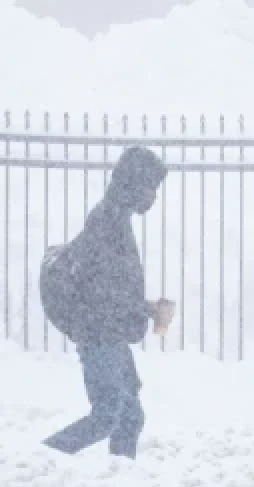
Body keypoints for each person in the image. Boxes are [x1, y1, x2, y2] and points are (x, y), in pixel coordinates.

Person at [42, 146, 173, 460]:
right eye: (151, 188)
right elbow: (102, 292)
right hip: (98, 333)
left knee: (129, 418)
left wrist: (145, 307)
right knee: (107, 417)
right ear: (135, 184)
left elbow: (112, 287)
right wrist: (148, 309)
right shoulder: (107, 223)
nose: (154, 197)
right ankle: (41, 461)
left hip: (109, 332)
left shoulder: (116, 218)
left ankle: (120, 483)